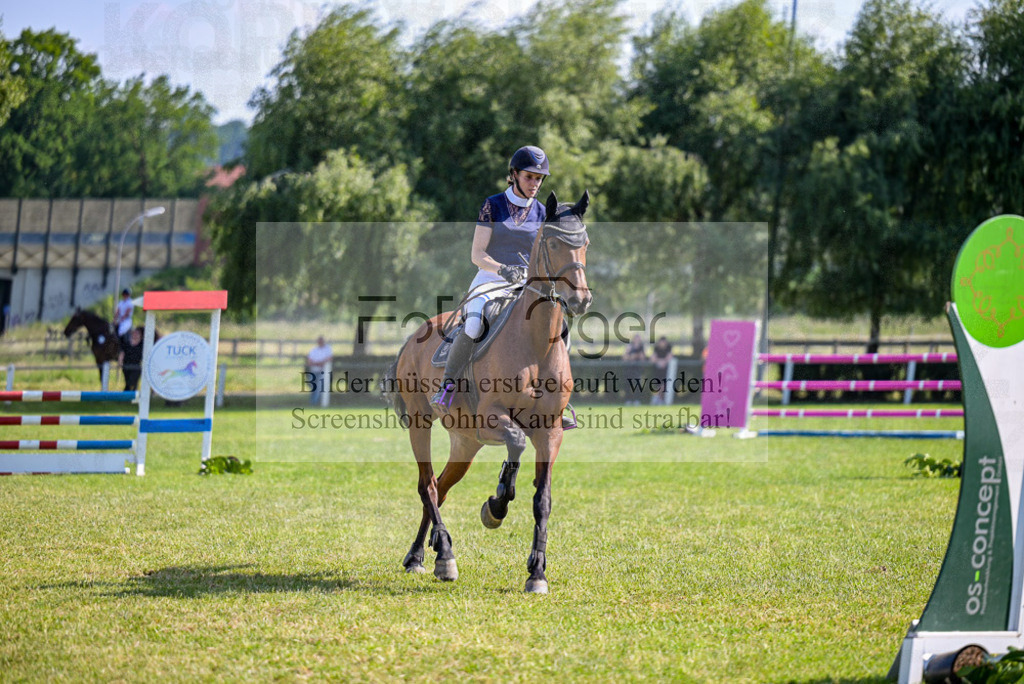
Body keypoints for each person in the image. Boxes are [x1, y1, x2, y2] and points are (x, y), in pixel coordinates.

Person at [430, 145, 550, 409]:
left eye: (538, 179)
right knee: (474, 324)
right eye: (529, 177)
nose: (534, 183)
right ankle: (447, 386)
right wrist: (502, 269)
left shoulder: (542, 212)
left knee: (557, 329)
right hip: (490, 280)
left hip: (525, 286)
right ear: (514, 174)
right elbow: (477, 254)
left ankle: (557, 398)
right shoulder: (493, 205)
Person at [306, 335, 333, 406]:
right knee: (313, 387)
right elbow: (309, 360)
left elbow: (329, 358)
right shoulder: (314, 350)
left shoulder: (327, 349)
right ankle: (314, 401)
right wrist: (316, 363)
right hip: (314, 370)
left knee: (319, 387)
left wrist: (320, 363)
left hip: (322, 371)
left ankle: (314, 402)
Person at [623, 333, 647, 406]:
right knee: (628, 385)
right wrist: (631, 356)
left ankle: (637, 400)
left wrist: (635, 356)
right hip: (629, 369)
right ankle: (628, 400)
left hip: (637, 369)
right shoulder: (629, 347)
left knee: (637, 385)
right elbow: (625, 358)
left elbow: (643, 358)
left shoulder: (641, 347)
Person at [650, 336, 674, 405]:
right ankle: (658, 398)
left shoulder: (668, 348)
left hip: (666, 371)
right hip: (658, 371)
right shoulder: (656, 348)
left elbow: (670, 357)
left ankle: (659, 398)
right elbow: (653, 359)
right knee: (659, 385)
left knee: (664, 386)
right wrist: (660, 361)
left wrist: (663, 362)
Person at [119, 327, 144, 392]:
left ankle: (130, 394)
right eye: (134, 333)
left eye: (137, 333)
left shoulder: (143, 344)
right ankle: (127, 396)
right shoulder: (126, 343)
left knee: (133, 382)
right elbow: (122, 353)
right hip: (126, 365)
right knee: (127, 382)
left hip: (136, 366)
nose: (135, 335)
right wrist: (120, 362)